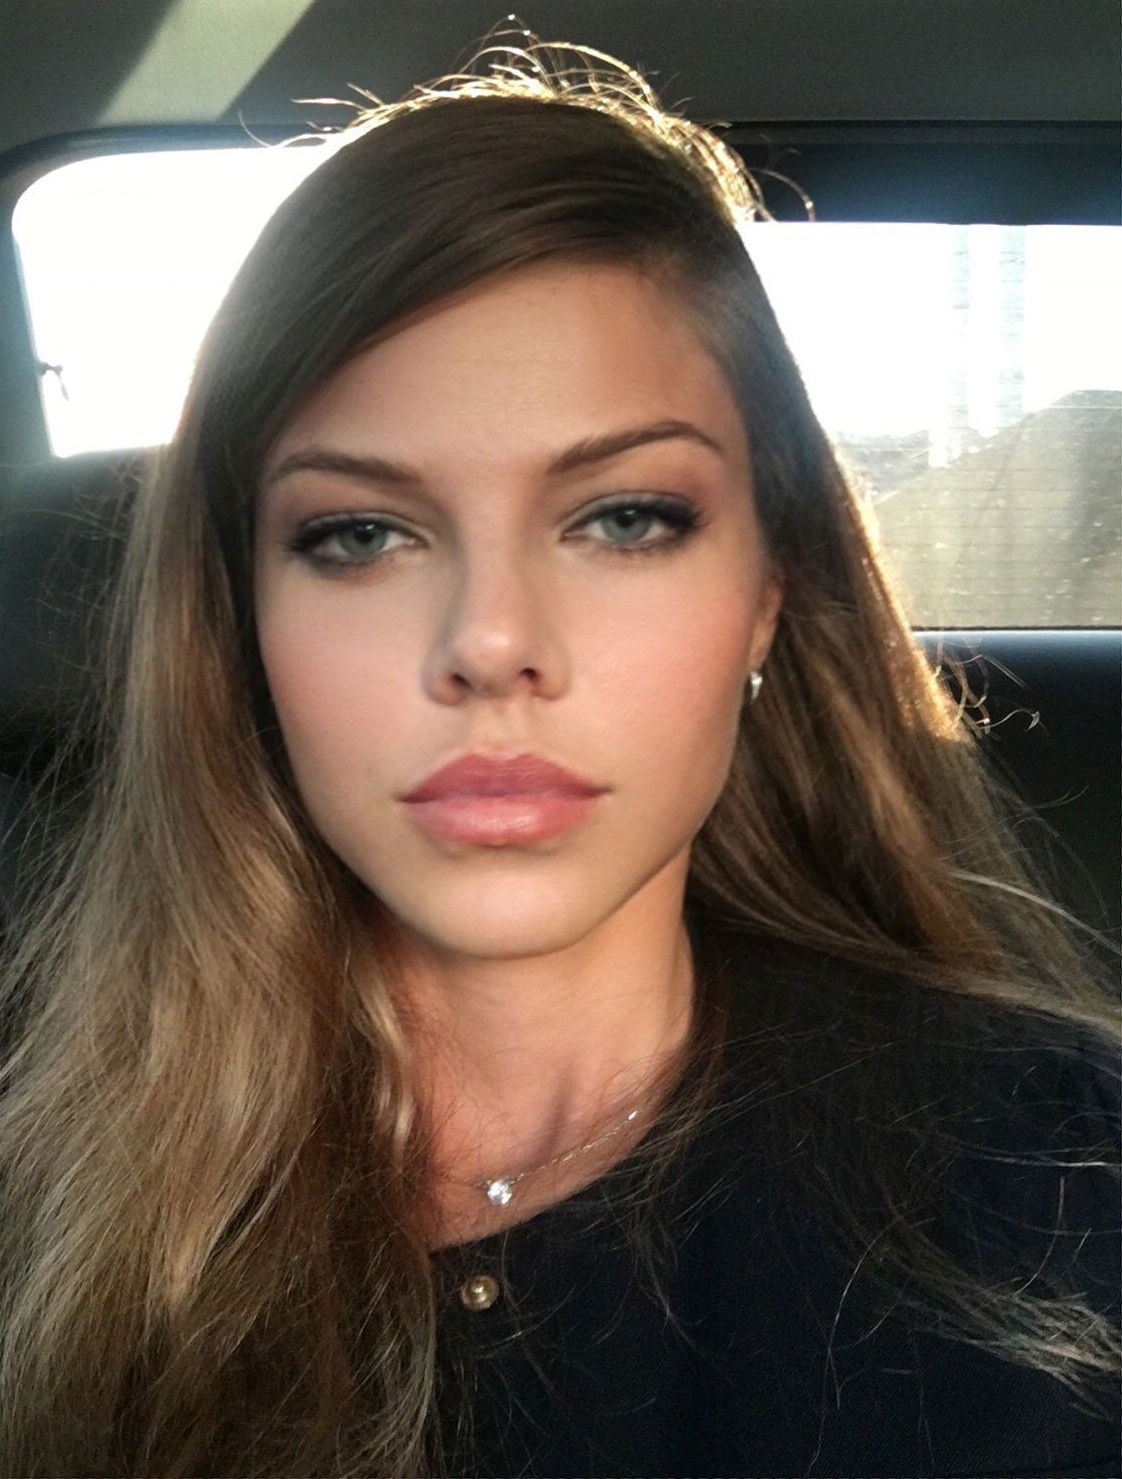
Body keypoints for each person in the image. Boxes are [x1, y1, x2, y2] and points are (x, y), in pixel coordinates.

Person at [0, 28, 1118, 1479]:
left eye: (625, 518)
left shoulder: (1061, 1173)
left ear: (768, 589)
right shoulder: (44, 1199)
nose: (491, 642)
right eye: (359, 534)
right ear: (240, 622)